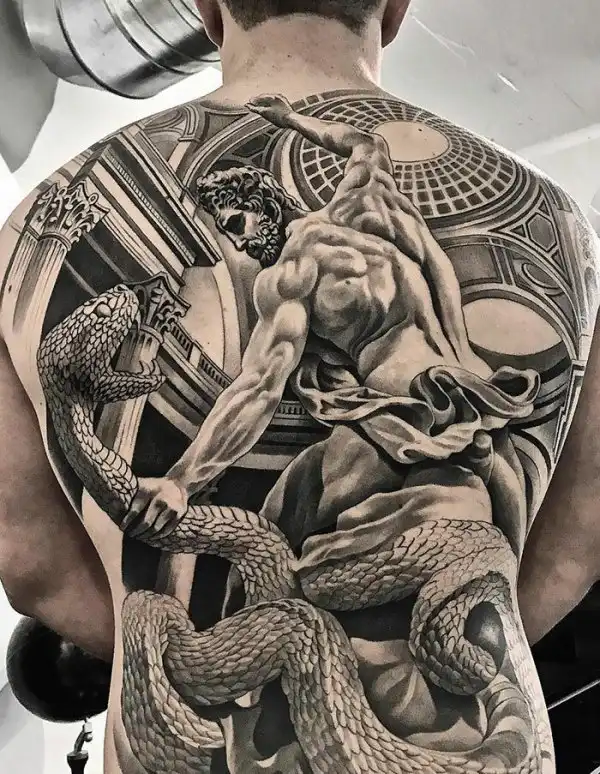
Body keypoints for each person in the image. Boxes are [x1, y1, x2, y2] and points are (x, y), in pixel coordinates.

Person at [0, 1, 599, 772]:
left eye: (240, 229)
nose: (241, 247)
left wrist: (182, 484)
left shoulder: (30, 230)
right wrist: (292, 120)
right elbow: (579, 543)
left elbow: (30, 557)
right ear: (394, 9)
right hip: (457, 426)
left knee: (293, 537)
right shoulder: (560, 224)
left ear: (210, 11)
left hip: (379, 436)